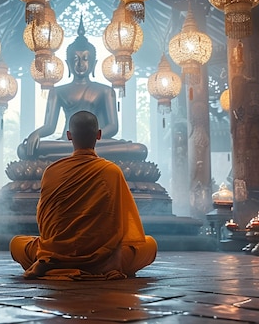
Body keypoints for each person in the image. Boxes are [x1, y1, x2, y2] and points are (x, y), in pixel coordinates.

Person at [10, 111, 157, 280]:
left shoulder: (51, 171)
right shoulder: (111, 171)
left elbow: (44, 222)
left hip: (55, 253)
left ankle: (52, 261)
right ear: (99, 135)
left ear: (69, 136)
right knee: (150, 244)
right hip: (102, 259)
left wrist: (56, 246)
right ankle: (94, 264)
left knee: (17, 243)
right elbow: (123, 224)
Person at [17, 19, 147, 162]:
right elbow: (50, 126)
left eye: (85, 59)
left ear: (94, 63)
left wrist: (90, 140)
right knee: (24, 149)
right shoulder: (57, 92)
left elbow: (113, 127)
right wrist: (37, 134)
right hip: (68, 142)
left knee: (138, 149)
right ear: (68, 63)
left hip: (97, 143)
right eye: (75, 59)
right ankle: (65, 154)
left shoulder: (105, 91)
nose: (80, 64)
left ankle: (56, 158)